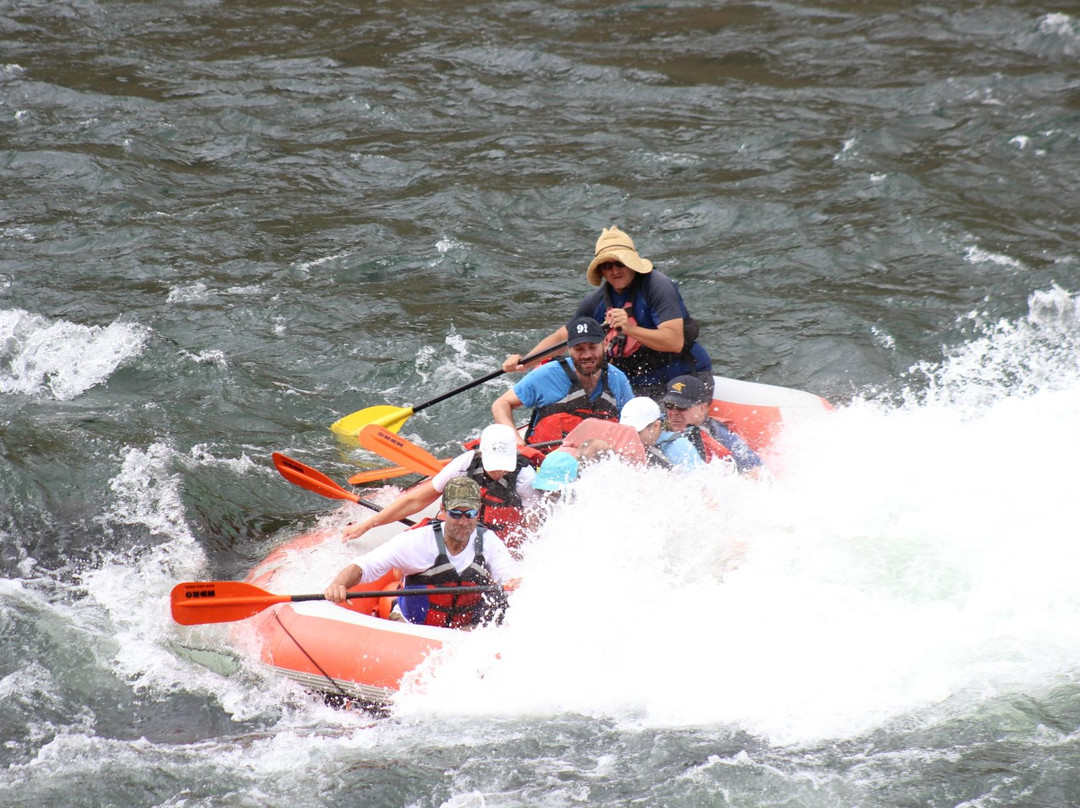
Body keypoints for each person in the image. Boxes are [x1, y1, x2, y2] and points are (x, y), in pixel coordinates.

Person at [503, 226, 713, 400]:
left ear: (632, 263)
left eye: (620, 263)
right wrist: (524, 361)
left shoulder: (658, 286)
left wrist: (630, 329)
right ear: (601, 271)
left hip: (684, 377)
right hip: (639, 384)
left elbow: (674, 341)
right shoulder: (597, 301)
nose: (614, 271)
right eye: (607, 265)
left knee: (660, 428)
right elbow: (562, 337)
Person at [324, 478, 520, 628]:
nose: (463, 521)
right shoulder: (418, 541)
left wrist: (514, 583)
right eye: (456, 513)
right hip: (412, 627)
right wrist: (339, 584)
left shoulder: (489, 542)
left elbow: (510, 577)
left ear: (478, 511)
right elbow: (364, 566)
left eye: (470, 514)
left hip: (464, 631)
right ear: (443, 510)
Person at [340, 423, 542, 550]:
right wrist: (367, 525)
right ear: (482, 454)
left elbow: (533, 528)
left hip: (501, 544)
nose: (498, 472)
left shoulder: (525, 478)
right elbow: (416, 500)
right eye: (493, 465)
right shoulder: (465, 464)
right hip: (464, 533)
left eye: (503, 466)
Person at [492, 315, 634, 448]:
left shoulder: (617, 379)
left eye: (592, 347)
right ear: (570, 350)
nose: (586, 355)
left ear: (604, 344)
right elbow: (501, 404)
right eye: (578, 349)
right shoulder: (547, 374)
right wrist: (517, 443)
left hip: (596, 463)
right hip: (546, 461)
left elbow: (631, 425)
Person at [659, 375, 764, 474]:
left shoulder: (720, 433)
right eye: (669, 405)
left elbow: (755, 468)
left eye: (682, 407)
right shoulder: (654, 424)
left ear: (702, 408)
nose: (674, 412)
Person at [619, 396, 704, 473]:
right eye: (628, 432)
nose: (632, 438)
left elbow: (701, 486)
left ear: (656, 426)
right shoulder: (621, 446)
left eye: (638, 432)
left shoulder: (679, 447)